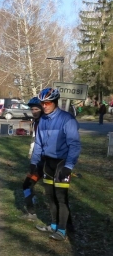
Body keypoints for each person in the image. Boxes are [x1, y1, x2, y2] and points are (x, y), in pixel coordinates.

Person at [32, 87, 81, 241]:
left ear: (55, 102)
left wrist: (69, 166)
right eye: (42, 103)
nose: (44, 106)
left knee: (61, 198)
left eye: (47, 103)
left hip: (62, 163)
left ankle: (62, 230)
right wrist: (34, 163)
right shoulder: (42, 120)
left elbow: (74, 145)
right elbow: (38, 144)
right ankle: (53, 225)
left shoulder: (67, 119)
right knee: (50, 196)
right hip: (48, 163)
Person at [22, 97, 43, 219]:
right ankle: (32, 210)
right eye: (32, 109)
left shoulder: (44, 122)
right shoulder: (35, 122)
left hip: (44, 162)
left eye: (36, 109)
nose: (34, 111)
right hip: (36, 160)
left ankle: (32, 212)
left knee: (28, 184)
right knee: (27, 185)